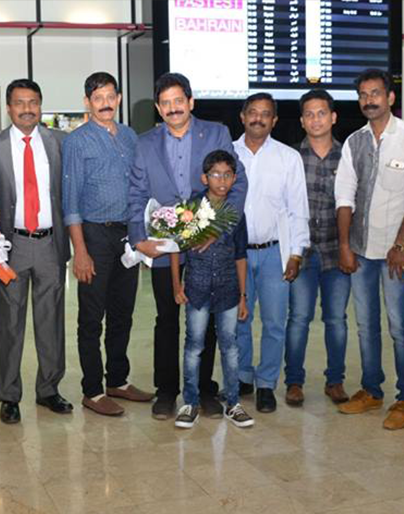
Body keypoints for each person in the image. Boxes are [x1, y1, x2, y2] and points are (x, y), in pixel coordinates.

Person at [129, 72, 247, 420]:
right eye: (165, 103)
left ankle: (205, 390)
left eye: (178, 101)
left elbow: (238, 184)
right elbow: (136, 193)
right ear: (158, 108)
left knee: (206, 321)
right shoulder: (144, 143)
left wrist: (217, 230)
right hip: (163, 247)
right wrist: (138, 239)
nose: (173, 108)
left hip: (206, 247)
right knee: (166, 318)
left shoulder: (216, 133)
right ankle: (166, 391)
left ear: (191, 102)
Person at [334, 68, 404, 430]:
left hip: (395, 252)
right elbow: (345, 196)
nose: (368, 100)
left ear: (390, 97)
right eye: (363, 94)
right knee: (366, 325)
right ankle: (371, 390)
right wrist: (345, 245)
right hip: (361, 251)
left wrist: (401, 245)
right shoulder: (354, 142)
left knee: (399, 325)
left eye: (375, 93)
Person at [0, 79, 72, 424]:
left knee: (51, 321)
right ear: (8, 107)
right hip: (11, 246)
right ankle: (8, 395)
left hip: (50, 244)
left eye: (33, 102)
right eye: (19, 103)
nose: (27, 109)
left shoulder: (60, 142)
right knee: (9, 323)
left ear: (40, 105)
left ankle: (48, 389)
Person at [62, 72, 152, 417]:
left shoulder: (129, 136)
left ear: (118, 99)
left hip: (127, 236)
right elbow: (70, 201)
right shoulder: (76, 142)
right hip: (94, 235)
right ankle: (93, 390)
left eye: (110, 96)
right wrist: (80, 252)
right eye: (98, 98)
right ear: (87, 102)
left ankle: (117, 380)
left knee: (122, 313)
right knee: (91, 316)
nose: (105, 103)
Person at [232, 92, 309, 413]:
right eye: (253, 112)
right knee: (238, 319)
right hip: (236, 255)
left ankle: (266, 383)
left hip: (275, 254)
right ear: (242, 116)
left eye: (266, 114)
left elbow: (298, 209)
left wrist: (296, 253)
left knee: (275, 322)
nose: (258, 118)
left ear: (274, 121)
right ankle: (242, 377)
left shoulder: (288, 158)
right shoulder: (228, 154)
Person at [171, 150, 254, 429]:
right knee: (194, 346)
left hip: (228, 289)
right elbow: (176, 249)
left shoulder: (235, 214)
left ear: (234, 178)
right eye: (216, 174)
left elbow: (240, 256)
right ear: (204, 178)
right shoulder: (190, 209)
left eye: (227, 175)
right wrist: (177, 285)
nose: (222, 180)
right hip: (196, 287)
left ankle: (233, 402)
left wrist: (242, 296)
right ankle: (190, 402)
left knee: (230, 347)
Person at [284, 89, 351, 407]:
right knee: (299, 318)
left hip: (338, 253)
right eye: (309, 114)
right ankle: (294, 382)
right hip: (303, 253)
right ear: (301, 121)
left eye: (321, 113)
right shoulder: (291, 159)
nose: (315, 120)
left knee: (336, 319)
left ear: (333, 117)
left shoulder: (348, 156)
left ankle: (335, 381)